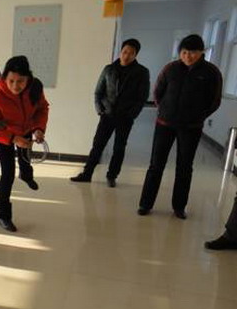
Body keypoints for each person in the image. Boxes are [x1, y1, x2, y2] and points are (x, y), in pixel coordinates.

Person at [138, 34, 223, 219]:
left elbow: (214, 100)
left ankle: (179, 206)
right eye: (184, 52)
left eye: (192, 53)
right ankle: (145, 203)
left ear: (201, 52)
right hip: (165, 124)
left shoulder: (211, 72)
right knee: (155, 165)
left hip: (191, 127)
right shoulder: (170, 68)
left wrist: (198, 116)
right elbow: (158, 92)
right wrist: (164, 110)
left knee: (184, 167)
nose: (187, 56)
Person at [0, 56, 49, 232]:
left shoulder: (35, 88)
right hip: (5, 134)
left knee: (25, 157)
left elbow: (42, 108)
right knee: (8, 174)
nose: (15, 86)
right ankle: (3, 216)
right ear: (5, 77)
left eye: (20, 81)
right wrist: (12, 138)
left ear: (28, 79)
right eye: (11, 80)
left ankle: (26, 175)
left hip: (26, 129)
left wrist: (38, 128)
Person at [70, 38, 150, 187]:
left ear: (135, 55)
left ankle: (112, 176)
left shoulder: (142, 72)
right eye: (124, 52)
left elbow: (142, 97)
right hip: (107, 115)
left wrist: (132, 114)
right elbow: (98, 92)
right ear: (120, 52)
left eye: (131, 53)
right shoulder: (109, 69)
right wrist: (100, 110)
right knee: (97, 145)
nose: (126, 56)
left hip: (125, 117)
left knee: (119, 147)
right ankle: (87, 173)